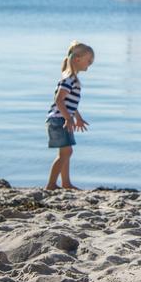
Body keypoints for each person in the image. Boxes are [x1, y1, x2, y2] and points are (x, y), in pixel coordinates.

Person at [45, 41, 94, 190]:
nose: (90, 63)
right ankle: (51, 184)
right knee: (66, 152)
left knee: (66, 152)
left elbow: (68, 103)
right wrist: (68, 118)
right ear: (77, 59)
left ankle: (66, 183)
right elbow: (59, 100)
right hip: (58, 120)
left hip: (64, 119)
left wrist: (77, 117)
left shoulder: (73, 79)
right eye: (89, 60)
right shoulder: (68, 79)